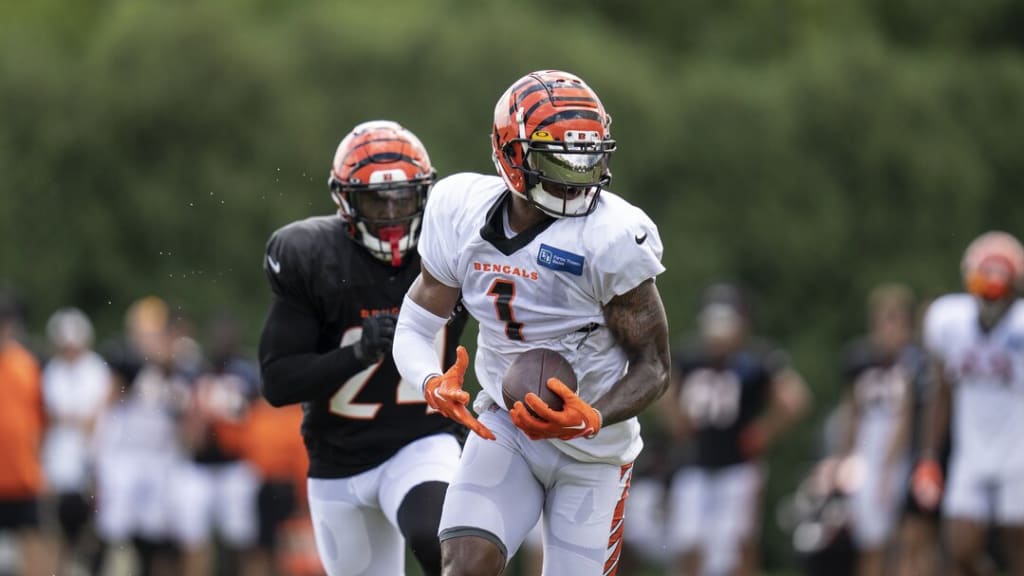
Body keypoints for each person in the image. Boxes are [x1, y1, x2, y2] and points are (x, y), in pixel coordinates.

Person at [392, 69, 671, 576]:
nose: (575, 174)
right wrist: (431, 382)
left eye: (588, 156)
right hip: (505, 424)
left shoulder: (613, 236)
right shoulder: (459, 210)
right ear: (511, 155)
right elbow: (413, 328)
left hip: (594, 453)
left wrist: (588, 416)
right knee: (464, 566)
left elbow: (653, 367)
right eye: (557, 157)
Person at [258, 120, 468, 576]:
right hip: (339, 459)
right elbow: (277, 382)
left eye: (404, 198)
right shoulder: (312, 256)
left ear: (425, 196)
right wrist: (356, 355)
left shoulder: (453, 248)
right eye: (377, 200)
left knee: (444, 542)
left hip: (422, 441)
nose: (393, 214)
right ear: (345, 202)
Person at [661, 283, 810, 576]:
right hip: (695, 462)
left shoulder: (757, 359)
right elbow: (663, 394)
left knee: (739, 543)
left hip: (738, 465)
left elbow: (795, 399)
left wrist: (764, 431)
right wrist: (678, 422)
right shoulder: (689, 357)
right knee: (688, 540)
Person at [912, 230, 1024, 576]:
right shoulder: (950, 321)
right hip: (970, 450)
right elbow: (941, 391)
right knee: (960, 547)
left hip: (1019, 449)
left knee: (1018, 545)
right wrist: (929, 456)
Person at [836, 284, 916, 576]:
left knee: (907, 539)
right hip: (868, 452)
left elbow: (906, 418)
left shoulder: (912, 362)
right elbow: (852, 412)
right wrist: (843, 457)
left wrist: (889, 465)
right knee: (871, 540)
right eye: (886, 320)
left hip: (902, 455)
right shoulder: (859, 360)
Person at [173, 313, 261, 576]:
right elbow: (184, 422)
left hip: (235, 465)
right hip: (198, 466)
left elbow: (258, 418)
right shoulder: (195, 372)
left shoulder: (246, 373)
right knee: (195, 541)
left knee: (244, 542)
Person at [40, 307, 111, 575]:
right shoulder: (53, 372)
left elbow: (91, 420)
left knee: (91, 534)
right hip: (59, 463)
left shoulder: (94, 369)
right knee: (56, 531)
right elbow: (54, 416)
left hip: (89, 461)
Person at [0, 290, 53, 576]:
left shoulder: (28, 364)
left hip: (21, 474)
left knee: (33, 542)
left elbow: (43, 419)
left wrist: (41, 461)